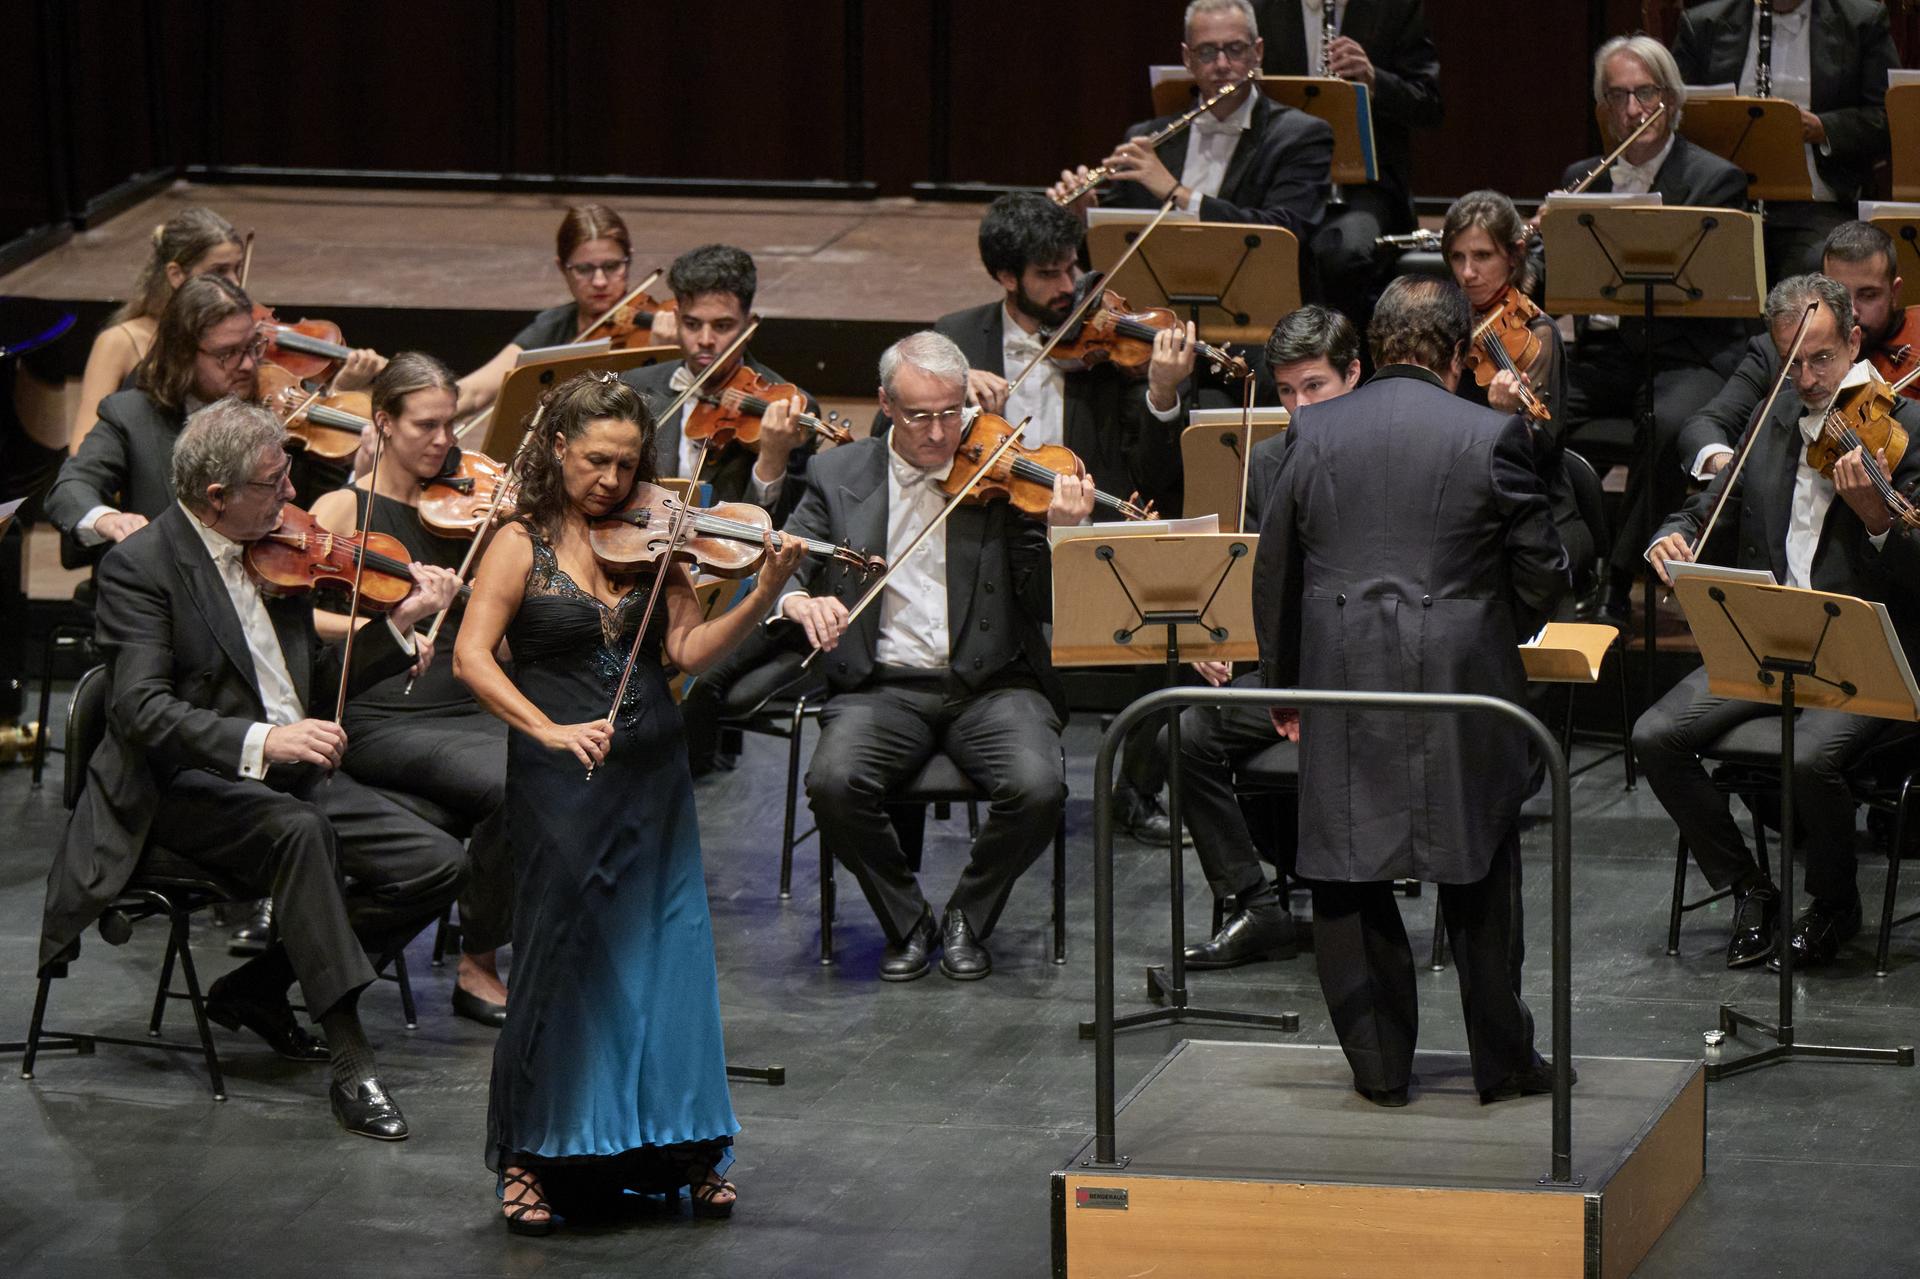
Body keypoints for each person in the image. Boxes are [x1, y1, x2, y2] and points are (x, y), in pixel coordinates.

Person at [37, 399, 467, 1139]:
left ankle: (260, 988)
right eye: (274, 483)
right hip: (176, 789)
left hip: (274, 778)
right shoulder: (141, 569)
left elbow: (305, 678)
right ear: (217, 497)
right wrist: (266, 741)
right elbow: (140, 712)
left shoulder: (275, 548)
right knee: (298, 830)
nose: (292, 497)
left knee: (438, 862)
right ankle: (351, 1060)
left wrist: (394, 630)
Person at [453, 373, 804, 1234]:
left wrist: (761, 594)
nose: (612, 480)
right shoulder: (517, 541)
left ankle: (684, 1146)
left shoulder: (657, 538)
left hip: (652, 778)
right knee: (562, 965)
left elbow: (685, 648)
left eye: (627, 463)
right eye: (596, 461)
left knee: (663, 963)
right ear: (559, 452)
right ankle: (532, 1157)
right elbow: (472, 655)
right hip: (560, 782)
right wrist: (547, 730)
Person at [1253, 275, 1570, 1105]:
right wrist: (1495, 616)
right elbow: (1542, 575)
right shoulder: (1493, 432)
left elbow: (1276, 567)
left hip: (1339, 675)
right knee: (1481, 868)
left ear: (1377, 345)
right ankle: (1503, 1062)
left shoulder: (1312, 431)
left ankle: (1381, 1069)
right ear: (1461, 354)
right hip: (1461, 681)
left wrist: (1282, 682)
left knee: (1347, 876)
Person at [779, 332, 1094, 982]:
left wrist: (1064, 532)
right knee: (833, 784)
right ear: (885, 405)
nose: (938, 432)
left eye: (952, 412)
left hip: (992, 685)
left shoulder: (1000, 475)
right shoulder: (839, 475)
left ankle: (967, 917)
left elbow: (1040, 600)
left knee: (1040, 788)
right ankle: (908, 918)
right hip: (881, 688)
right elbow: (788, 558)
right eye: (920, 414)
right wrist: (795, 603)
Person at [1635, 273, 1920, 970]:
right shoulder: (1772, 425)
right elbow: (1707, 510)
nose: (1811, 378)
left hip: (1868, 655)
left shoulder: (1907, 431)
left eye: (1823, 359)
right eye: (1794, 361)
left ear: (1855, 340)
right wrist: (1668, 538)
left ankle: (1833, 904)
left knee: (1807, 755)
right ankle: (1748, 887)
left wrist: (1880, 523)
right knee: (1654, 736)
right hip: (1766, 645)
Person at [310, 353, 514, 1028]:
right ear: (383, 423)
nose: (443, 440)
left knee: (567, 754)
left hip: (464, 700)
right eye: (425, 425)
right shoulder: (344, 506)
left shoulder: (465, 515)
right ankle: (477, 963)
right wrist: (392, 621)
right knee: (516, 778)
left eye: (450, 424)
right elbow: (304, 618)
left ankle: (548, 946)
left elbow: (499, 644)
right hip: (380, 708)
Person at [1178, 304, 1360, 969]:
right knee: (1187, 729)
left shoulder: (1388, 454)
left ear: (1354, 376)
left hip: (1370, 669)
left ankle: (1355, 893)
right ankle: (1255, 902)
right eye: (1286, 392)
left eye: (1315, 386)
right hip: (1293, 668)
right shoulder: (1267, 461)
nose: (1299, 407)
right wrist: (1221, 635)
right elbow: (1260, 577)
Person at [1554, 34, 1750, 623]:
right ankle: (1562, 562)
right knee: (1533, 419)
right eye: (1618, 96)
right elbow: (1554, 289)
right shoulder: (1583, 177)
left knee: (1666, 425)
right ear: (1602, 108)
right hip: (1606, 354)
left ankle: (1617, 577)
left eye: (1645, 93)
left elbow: (1718, 297)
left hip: (1685, 354)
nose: (1633, 111)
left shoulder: (1715, 180)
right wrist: (1546, 240)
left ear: (1670, 99)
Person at [1048, 0, 1334, 239]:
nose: (1222, 65)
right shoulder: (1147, 140)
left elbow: (1285, 231)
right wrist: (1086, 216)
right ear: (1187, 58)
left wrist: (1177, 194)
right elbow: (1114, 253)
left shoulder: (1300, 136)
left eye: (1235, 49)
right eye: (1207, 52)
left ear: (1257, 52)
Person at [1673, 0, 1900, 282]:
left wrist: (1822, 128)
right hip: (1724, 200)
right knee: (1699, 270)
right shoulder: (1704, 24)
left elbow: (1888, 118)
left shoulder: (1860, 21)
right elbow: (1676, 115)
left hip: (1818, 204)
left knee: (1811, 275)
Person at [1253, 0, 1442, 329]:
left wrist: (1373, 81)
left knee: (1343, 252)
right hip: (1283, 179)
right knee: (1261, 242)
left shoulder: (1393, 8)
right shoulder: (1261, 9)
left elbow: (1428, 105)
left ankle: (1348, 365)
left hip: (1364, 184)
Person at [1681, 221, 1918, 481]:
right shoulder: (1781, 350)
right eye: (1837, 293)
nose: (1851, 311)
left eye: (1868, 295)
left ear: (1895, 293)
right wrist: (1735, 472)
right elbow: (1706, 425)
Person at [45, 276, 264, 556]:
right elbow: (71, 488)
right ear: (183, 353)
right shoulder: (129, 415)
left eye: (253, 346)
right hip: (165, 592)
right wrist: (109, 520)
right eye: (228, 353)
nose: (248, 364)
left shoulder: (275, 416)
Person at [1442, 190, 1591, 579]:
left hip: (1529, 517)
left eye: (1482, 256)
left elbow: (1541, 449)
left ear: (1514, 254)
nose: (1467, 273)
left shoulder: (1538, 334)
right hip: (1462, 508)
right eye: (1458, 257)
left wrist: (1504, 417)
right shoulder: (1446, 328)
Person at [619, 244, 818, 523]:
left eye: (722, 326)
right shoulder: (634, 388)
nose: (705, 340)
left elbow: (784, 526)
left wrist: (772, 458)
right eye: (692, 324)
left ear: (748, 327)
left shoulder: (786, 408)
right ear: (676, 320)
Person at [455, 204, 672, 418]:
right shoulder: (554, 325)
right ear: (562, 267)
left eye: (611, 266)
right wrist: (431, 402)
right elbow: (476, 391)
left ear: (629, 260)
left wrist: (660, 360)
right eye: (584, 269)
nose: (599, 281)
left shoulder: (658, 325)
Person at [71, 208, 244, 454]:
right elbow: (82, 447)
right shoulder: (119, 341)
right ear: (175, 274)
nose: (235, 284)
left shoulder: (233, 338)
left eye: (237, 269)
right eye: (219, 271)